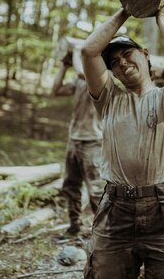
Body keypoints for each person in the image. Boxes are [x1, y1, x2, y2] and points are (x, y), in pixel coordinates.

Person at [81, 0, 164, 279]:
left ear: (145, 54)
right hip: (116, 211)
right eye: (114, 63)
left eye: (127, 54)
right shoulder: (109, 99)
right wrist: (128, 8)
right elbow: (89, 51)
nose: (122, 63)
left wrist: (162, 19)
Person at [52, 48, 103, 235]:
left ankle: (104, 232)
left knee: (96, 190)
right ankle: (74, 225)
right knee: (70, 185)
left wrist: (75, 49)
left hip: (93, 141)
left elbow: (83, 71)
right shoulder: (79, 81)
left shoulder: (100, 77)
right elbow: (56, 90)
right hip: (74, 140)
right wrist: (63, 66)